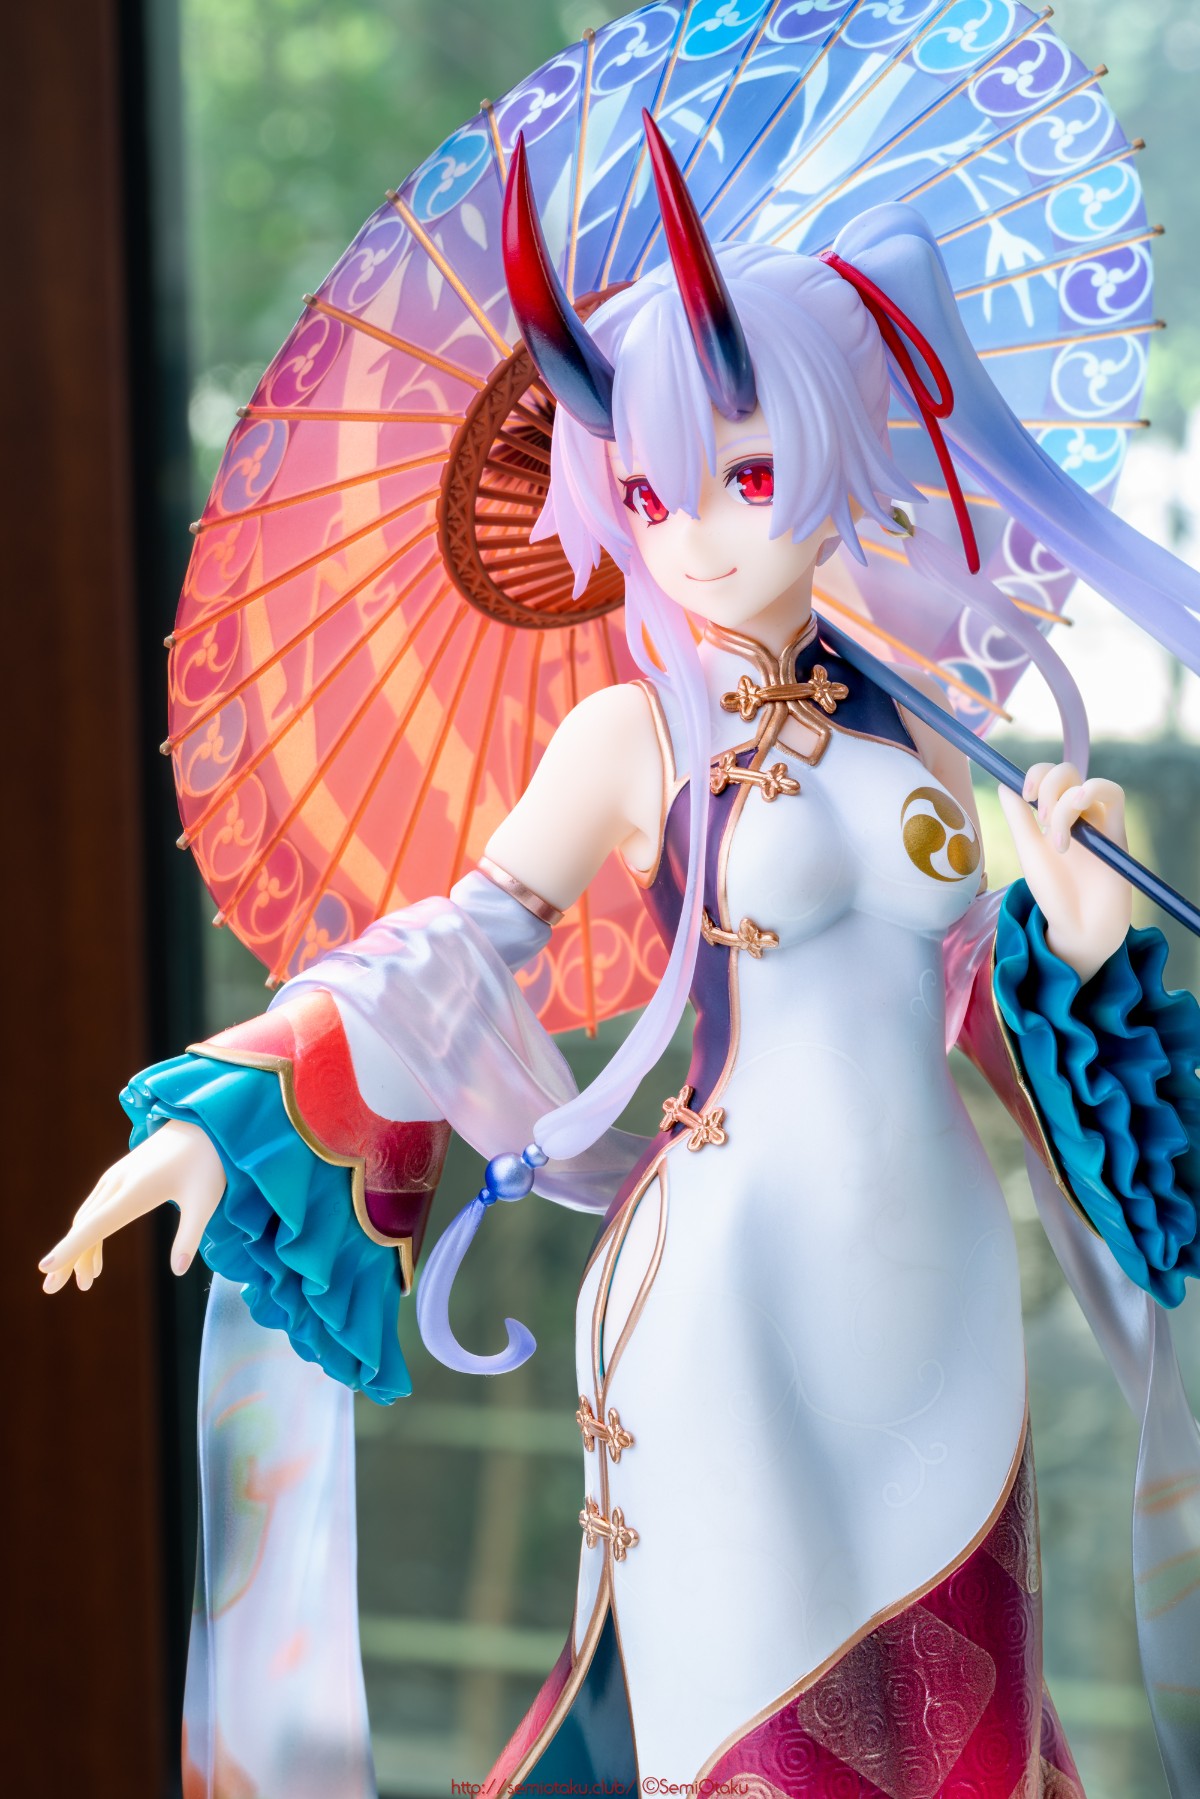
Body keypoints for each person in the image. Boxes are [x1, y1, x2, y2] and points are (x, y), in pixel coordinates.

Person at [38, 119, 1200, 1797]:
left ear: (837, 442)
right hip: (728, 1283)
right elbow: (458, 948)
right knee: (757, 1754)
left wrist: (1076, 940)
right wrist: (228, 1116)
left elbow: (969, 1007)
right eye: (649, 492)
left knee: (974, 1749)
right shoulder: (629, 735)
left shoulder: (932, 730)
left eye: (745, 476)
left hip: (942, 1283)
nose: (696, 535)